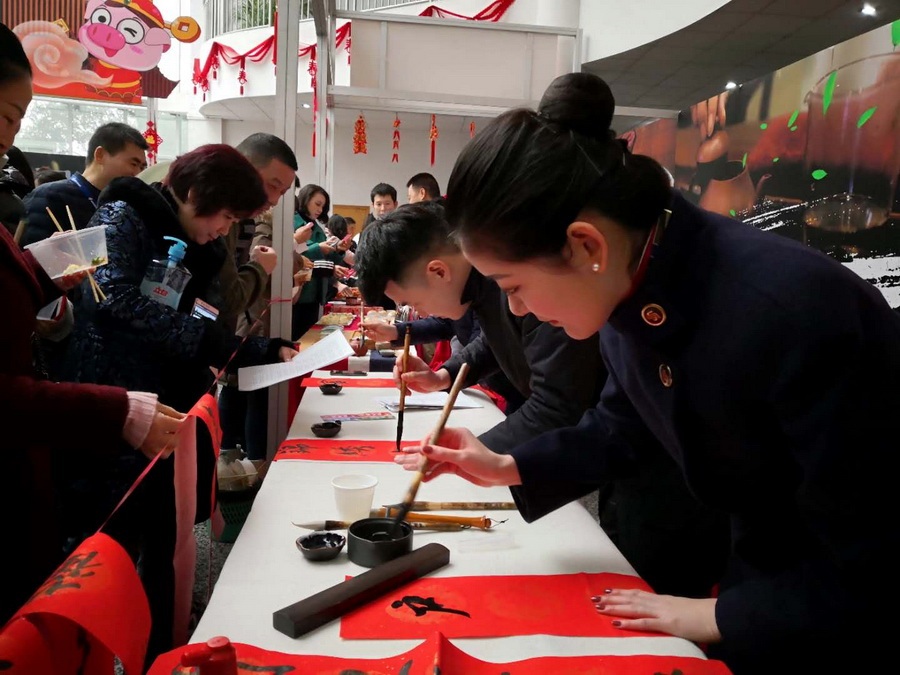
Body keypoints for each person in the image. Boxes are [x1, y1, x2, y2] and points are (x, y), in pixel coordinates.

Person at [394, 72, 900, 673]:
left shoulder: (793, 311)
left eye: (514, 286)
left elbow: (874, 548)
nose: (518, 310)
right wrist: (508, 465)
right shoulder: (630, 279)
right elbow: (621, 425)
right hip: (761, 579)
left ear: (584, 246)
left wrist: (712, 617)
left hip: (836, 614)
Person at [63, 144, 297, 662]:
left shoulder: (201, 247)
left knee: (167, 540)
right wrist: (200, 336)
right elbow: (114, 299)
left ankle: (163, 651)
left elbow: (206, 320)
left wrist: (259, 348)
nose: (223, 230)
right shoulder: (124, 214)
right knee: (110, 550)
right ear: (193, 194)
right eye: (225, 217)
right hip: (118, 408)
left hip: (170, 410)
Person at [0, 21, 183, 624]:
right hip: (77, 376)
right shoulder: (100, 211)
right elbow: (124, 306)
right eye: (5, 118)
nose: (9, 141)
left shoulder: (155, 225)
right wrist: (117, 409)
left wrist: (40, 276)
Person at [356, 201, 606, 454]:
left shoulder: (521, 281)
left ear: (439, 273)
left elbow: (557, 405)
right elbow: (494, 340)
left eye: (413, 303)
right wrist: (443, 376)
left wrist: (471, 452)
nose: (419, 314)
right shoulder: (479, 284)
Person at [217, 133, 299, 457]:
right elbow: (229, 298)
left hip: (224, 342)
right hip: (231, 335)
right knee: (240, 394)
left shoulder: (241, 221)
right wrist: (260, 268)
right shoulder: (234, 223)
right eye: (274, 185)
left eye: (283, 192)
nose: (277, 200)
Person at [21, 121, 148, 245]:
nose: (138, 173)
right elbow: (31, 257)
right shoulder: (49, 196)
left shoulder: (123, 208)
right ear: (100, 155)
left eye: (142, 167)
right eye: (134, 164)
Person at [291, 183, 347, 339]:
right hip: (298, 292)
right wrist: (319, 248)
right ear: (305, 199)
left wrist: (339, 249)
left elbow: (326, 258)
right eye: (317, 204)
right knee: (297, 337)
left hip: (316, 292)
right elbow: (295, 255)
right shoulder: (293, 223)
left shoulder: (318, 228)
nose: (320, 210)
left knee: (309, 337)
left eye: (323, 207)